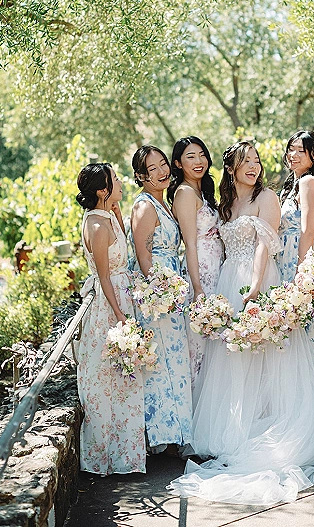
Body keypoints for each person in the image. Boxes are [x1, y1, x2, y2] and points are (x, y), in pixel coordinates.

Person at [169, 140, 314, 505]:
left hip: (258, 279)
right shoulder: (226, 204)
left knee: (266, 354)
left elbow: (263, 246)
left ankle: (266, 426)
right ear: (231, 168)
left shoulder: (267, 198)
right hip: (228, 280)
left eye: (257, 161)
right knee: (233, 358)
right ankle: (234, 432)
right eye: (246, 161)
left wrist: (256, 287)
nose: (254, 166)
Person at [75, 162, 146, 475]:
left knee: (124, 380)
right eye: (115, 180)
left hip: (122, 296)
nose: (121, 183)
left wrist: (117, 212)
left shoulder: (108, 216)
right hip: (109, 304)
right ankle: (104, 457)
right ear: (102, 190)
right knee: (108, 380)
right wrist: (119, 314)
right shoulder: (97, 226)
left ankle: (126, 456)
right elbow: (103, 276)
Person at [130, 145, 192, 452]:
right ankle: (162, 436)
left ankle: (179, 431)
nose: (162, 171)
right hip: (157, 293)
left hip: (172, 286)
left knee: (176, 360)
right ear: (141, 176)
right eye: (152, 169)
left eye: (163, 164)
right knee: (161, 362)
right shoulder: (144, 206)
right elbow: (142, 253)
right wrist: (159, 291)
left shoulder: (163, 202)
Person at [168, 136, 223, 392]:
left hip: (216, 266)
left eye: (202, 154)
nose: (198, 161)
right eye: (190, 156)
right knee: (199, 342)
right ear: (178, 163)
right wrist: (198, 288)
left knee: (214, 339)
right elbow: (189, 243)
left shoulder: (203, 190)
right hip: (200, 269)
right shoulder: (185, 192)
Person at [277, 130, 314, 283]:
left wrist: (301, 272)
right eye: (291, 149)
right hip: (282, 253)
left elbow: (308, 232)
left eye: (301, 151)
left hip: (296, 256)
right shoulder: (291, 184)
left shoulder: (309, 182)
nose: (293, 154)